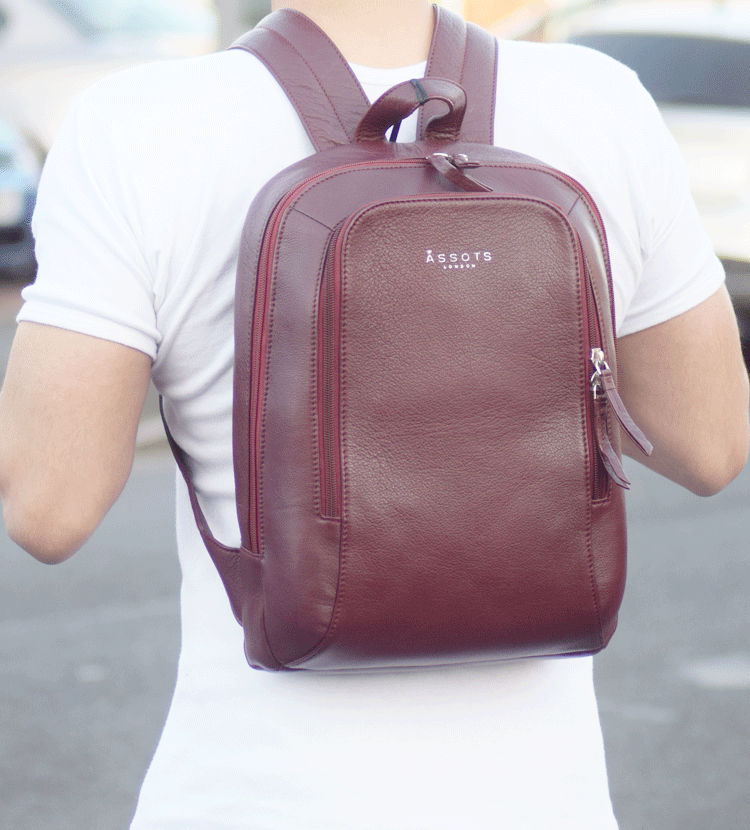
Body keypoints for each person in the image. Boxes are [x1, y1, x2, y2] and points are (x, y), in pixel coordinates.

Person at [0, 1, 748, 827]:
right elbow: (711, 444)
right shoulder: (600, 101)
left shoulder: (135, 123)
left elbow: (49, 508)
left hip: (247, 797)